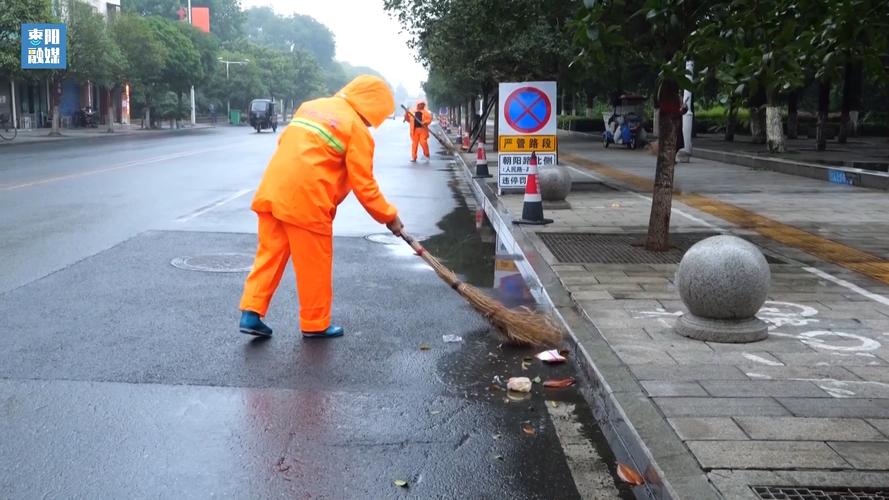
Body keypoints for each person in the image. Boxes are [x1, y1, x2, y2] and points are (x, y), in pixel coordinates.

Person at [238, 75, 404, 339]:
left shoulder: (310, 106)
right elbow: (364, 184)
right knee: (314, 264)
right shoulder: (356, 129)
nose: (371, 124)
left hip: (272, 190)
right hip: (308, 201)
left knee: (269, 256)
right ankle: (315, 323)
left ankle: (251, 312)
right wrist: (389, 216)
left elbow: (286, 144)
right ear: (371, 107)